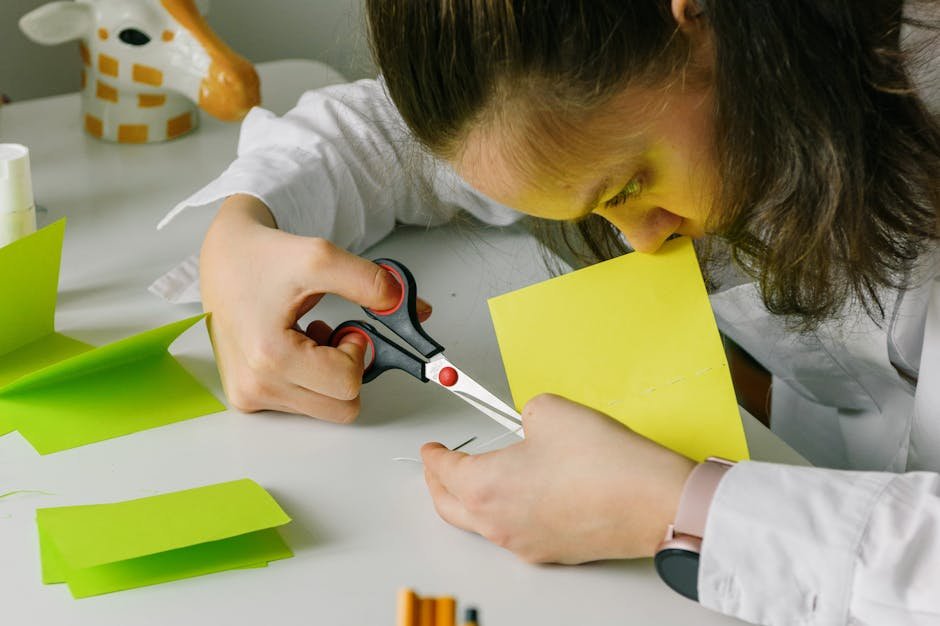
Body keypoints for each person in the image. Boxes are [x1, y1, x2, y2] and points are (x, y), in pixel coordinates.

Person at [156, 1, 940, 623]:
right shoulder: (628, 83)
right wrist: (243, 228)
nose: (637, 243)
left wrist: (674, 506)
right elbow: (403, 134)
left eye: (629, 186)